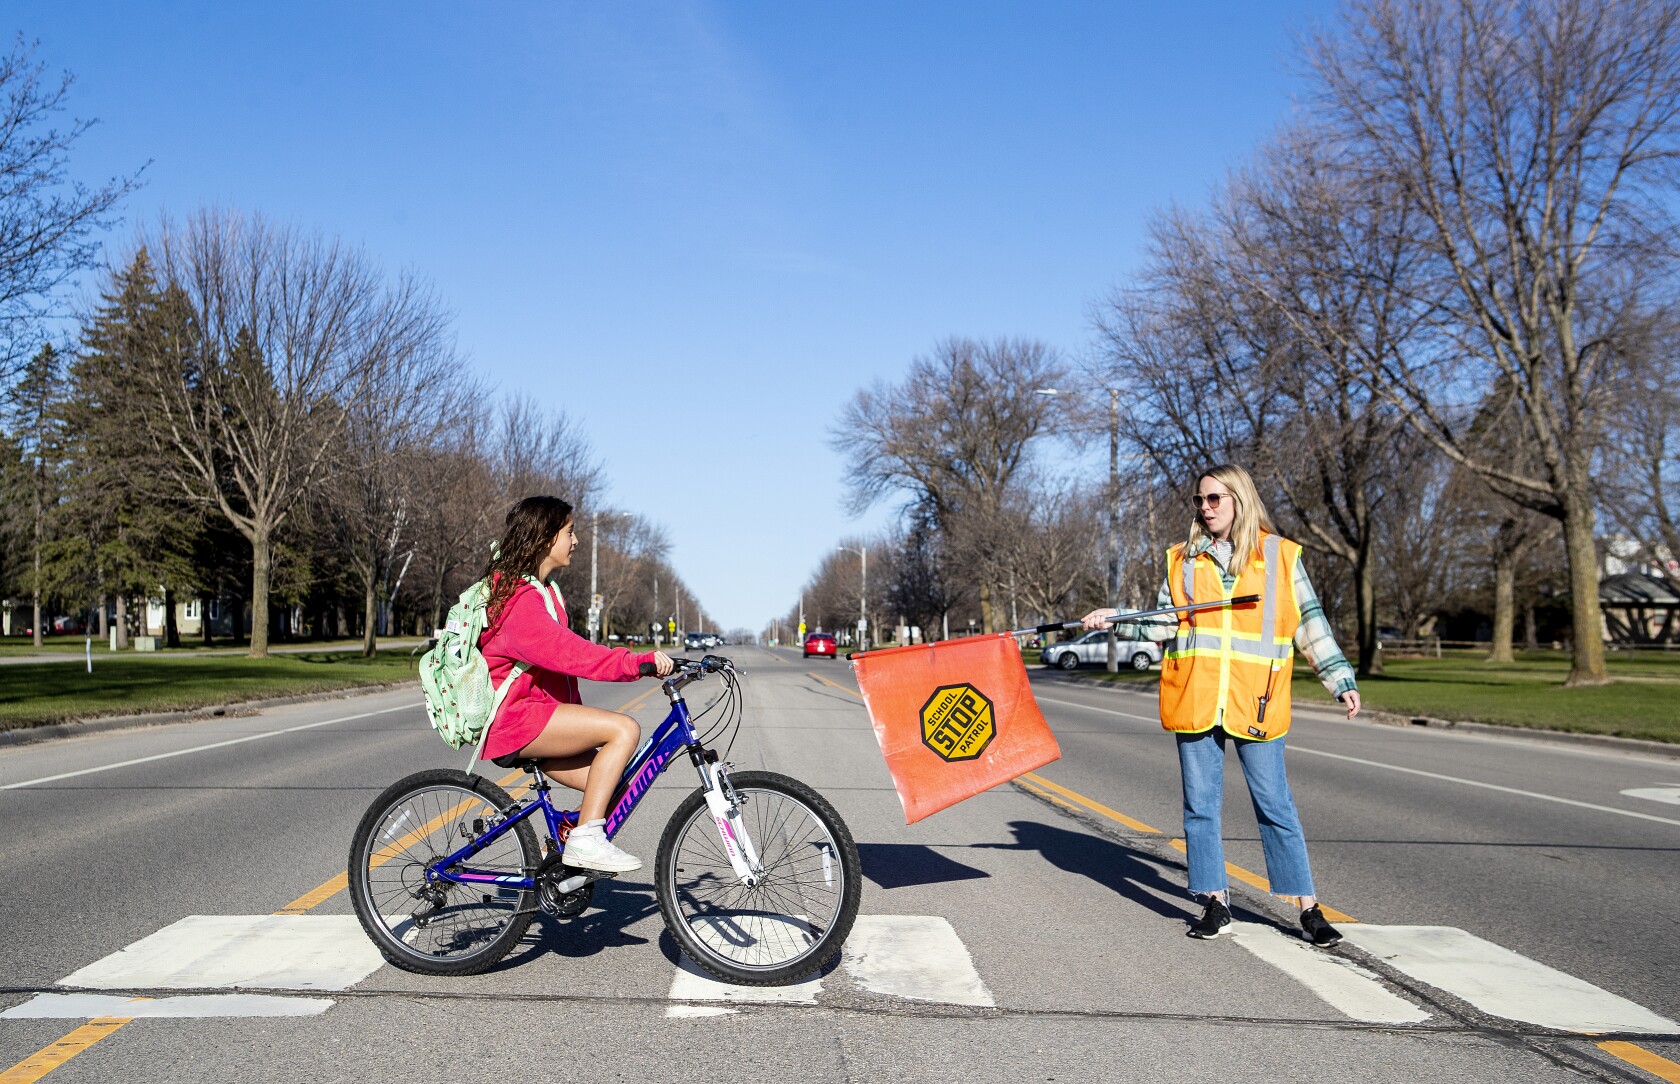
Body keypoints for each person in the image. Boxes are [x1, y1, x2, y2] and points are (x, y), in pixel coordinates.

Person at [1082, 464, 1361, 947]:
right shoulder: (1183, 559)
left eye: (1214, 499)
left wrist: (1339, 678)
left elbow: (1308, 622)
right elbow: (1163, 623)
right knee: (1201, 807)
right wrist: (1117, 619)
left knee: (1275, 803)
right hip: (1197, 696)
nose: (1205, 508)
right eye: (1200, 501)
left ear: (1239, 499)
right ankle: (1215, 901)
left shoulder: (1280, 556)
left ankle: (1307, 909)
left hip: (1257, 700)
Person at [478, 496, 674, 873]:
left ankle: (573, 835)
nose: (576, 540)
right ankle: (585, 840)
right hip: (518, 720)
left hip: (540, 716)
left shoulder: (545, 592)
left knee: (617, 783)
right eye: (570, 532)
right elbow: (575, 655)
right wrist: (638, 663)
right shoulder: (519, 601)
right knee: (624, 728)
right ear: (545, 537)